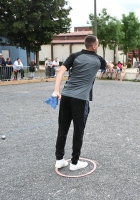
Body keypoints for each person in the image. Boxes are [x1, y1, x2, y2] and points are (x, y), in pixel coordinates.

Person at [53, 35, 113, 171]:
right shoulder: (98, 59)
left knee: (62, 129)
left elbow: (61, 70)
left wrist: (57, 90)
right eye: (98, 44)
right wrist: (110, 65)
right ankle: (74, 163)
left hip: (66, 96)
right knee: (78, 130)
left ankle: (59, 160)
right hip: (80, 99)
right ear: (94, 46)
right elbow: (109, 65)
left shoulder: (74, 56)